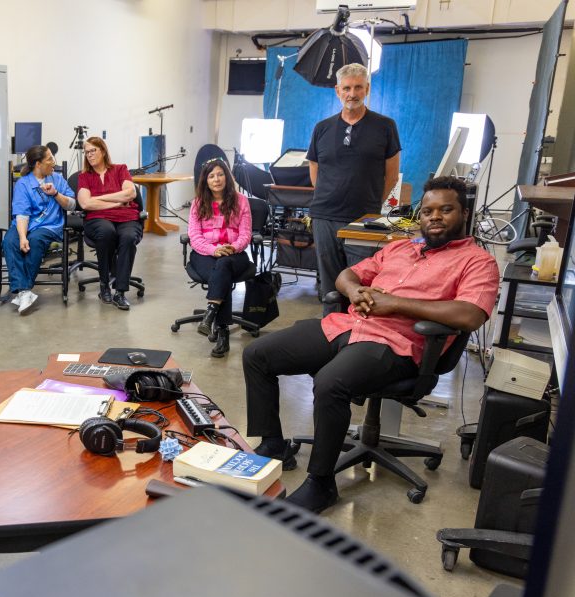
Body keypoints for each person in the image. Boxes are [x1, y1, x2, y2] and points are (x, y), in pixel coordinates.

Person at [242, 177, 499, 514]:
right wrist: (354, 293)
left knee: (330, 383)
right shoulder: (399, 248)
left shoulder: (478, 261)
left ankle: (321, 484)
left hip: (397, 344)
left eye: (445, 210)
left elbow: (469, 314)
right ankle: (273, 445)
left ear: (463, 213)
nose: (434, 217)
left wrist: (395, 304)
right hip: (347, 325)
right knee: (257, 354)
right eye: (427, 211)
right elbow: (347, 275)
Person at [307, 63, 402, 315]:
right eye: (347, 88)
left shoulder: (385, 126)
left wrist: (371, 207)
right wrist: (328, 195)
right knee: (329, 286)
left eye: (358, 87)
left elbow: (391, 175)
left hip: (363, 221)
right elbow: (314, 167)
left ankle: (356, 338)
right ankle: (330, 335)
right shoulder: (322, 128)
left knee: (360, 285)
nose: (352, 93)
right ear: (338, 91)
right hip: (324, 217)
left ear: (367, 89)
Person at [187, 158, 254, 358]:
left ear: (227, 176)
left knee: (223, 265)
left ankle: (211, 315)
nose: (216, 179)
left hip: (234, 254)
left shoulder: (241, 201)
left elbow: (245, 235)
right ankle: (221, 330)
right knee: (221, 271)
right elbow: (195, 237)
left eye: (220, 174)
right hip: (204, 254)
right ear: (205, 181)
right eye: (211, 176)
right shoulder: (198, 203)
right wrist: (213, 250)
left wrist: (231, 247)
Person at [3, 145, 76, 314]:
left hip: (49, 226)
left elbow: (73, 204)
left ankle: (23, 289)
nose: (54, 162)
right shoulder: (23, 184)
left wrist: (56, 194)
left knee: (35, 240)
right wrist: (22, 236)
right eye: (49, 159)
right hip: (24, 224)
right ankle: (25, 292)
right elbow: (22, 214)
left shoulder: (57, 179)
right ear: (38, 164)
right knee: (10, 241)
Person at [76, 136, 142, 310]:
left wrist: (99, 198)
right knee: (106, 232)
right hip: (97, 219)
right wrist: (117, 201)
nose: (89, 155)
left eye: (93, 151)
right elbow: (85, 203)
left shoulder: (121, 169)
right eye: (86, 152)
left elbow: (130, 194)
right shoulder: (85, 177)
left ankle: (120, 292)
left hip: (127, 217)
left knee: (128, 237)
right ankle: (104, 284)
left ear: (103, 151)